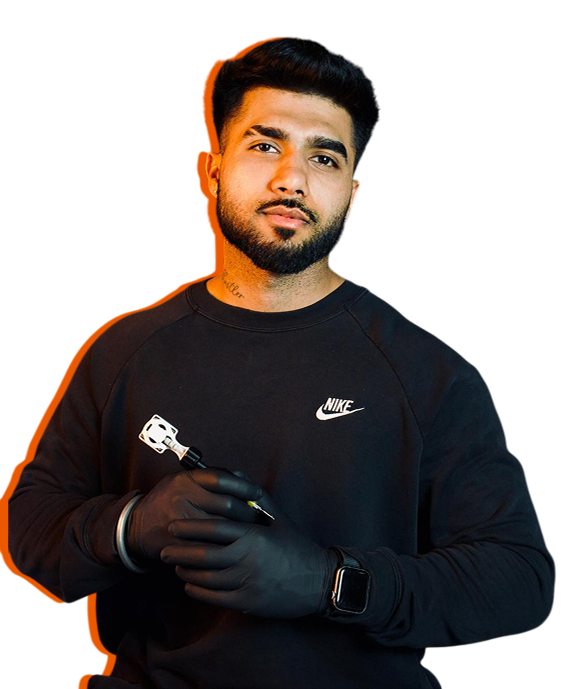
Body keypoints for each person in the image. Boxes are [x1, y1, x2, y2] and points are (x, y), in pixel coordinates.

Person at [7, 36, 555, 689]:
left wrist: (331, 582)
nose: (291, 179)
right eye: (265, 145)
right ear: (211, 171)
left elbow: (519, 580)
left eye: (323, 157)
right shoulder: (123, 349)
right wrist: (133, 525)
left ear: (352, 194)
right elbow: (30, 529)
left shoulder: (427, 374)